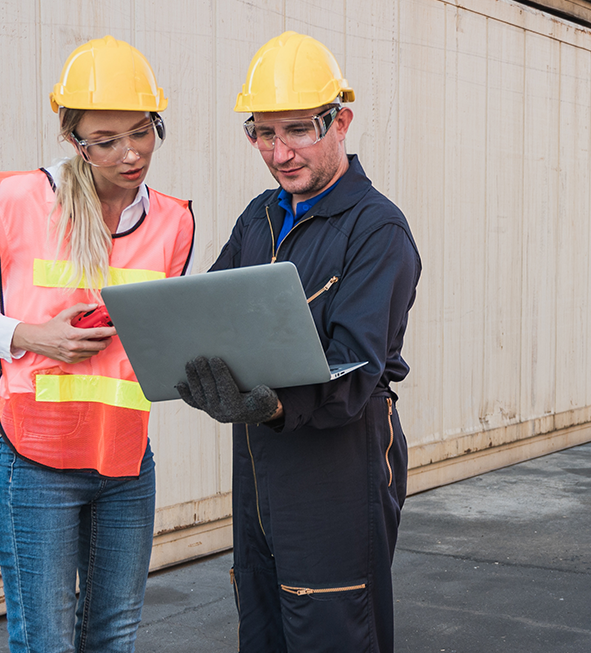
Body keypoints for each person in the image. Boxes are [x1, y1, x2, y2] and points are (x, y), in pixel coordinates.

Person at [0, 36, 194, 653]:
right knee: (45, 641)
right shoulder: (19, 202)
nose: (130, 154)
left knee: (114, 636)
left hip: (126, 460)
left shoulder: (174, 221)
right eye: (106, 141)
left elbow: (157, 339)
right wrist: (29, 335)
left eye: (142, 132)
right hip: (37, 460)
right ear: (73, 141)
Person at [173, 31, 421, 653]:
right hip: (259, 461)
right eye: (263, 132)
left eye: (298, 130)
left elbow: (358, 367)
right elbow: (209, 310)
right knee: (261, 618)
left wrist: (277, 405)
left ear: (341, 121)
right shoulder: (259, 217)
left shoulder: (377, 228)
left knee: (332, 623)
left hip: (340, 463)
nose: (279, 153)